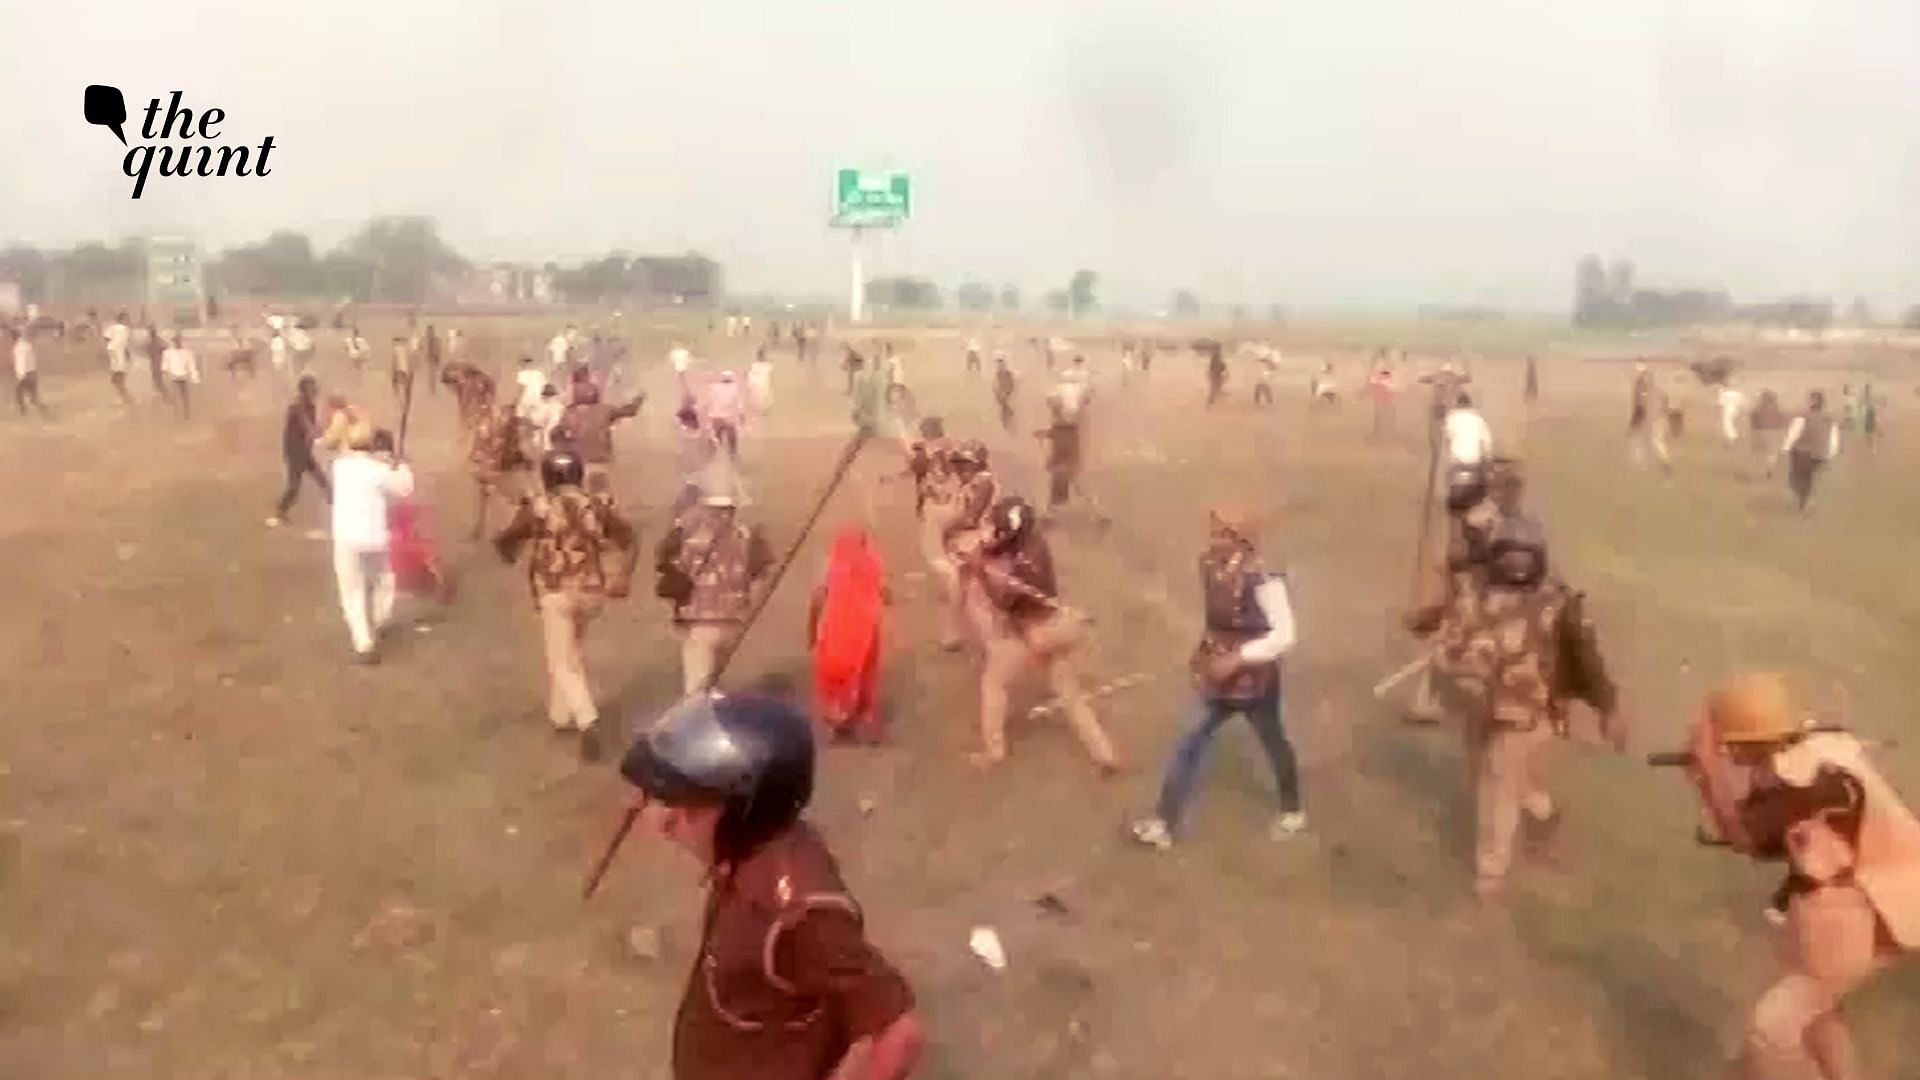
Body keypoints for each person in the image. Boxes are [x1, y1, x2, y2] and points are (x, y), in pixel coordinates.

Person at [614, 693, 926, 1080]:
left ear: (747, 813)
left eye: (692, 809)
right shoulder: (749, 855)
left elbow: (899, 1033)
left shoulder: (798, 912)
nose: (666, 823)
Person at [1680, 673, 1920, 1080]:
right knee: (1819, 1016)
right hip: (1859, 904)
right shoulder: (1813, 758)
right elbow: (1760, 832)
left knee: (1770, 1031)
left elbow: (1745, 837)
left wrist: (1708, 770)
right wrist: (1709, 777)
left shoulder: (1806, 786)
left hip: (1852, 914)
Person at [1405, 506, 1623, 900]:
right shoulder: (1474, 589)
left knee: (1496, 782)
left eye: (1526, 556)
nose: (1517, 565)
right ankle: (1541, 813)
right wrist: (1423, 620)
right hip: (1476, 700)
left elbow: (1588, 659)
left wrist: (1608, 709)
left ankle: (1491, 871)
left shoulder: (1560, 606)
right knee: (1488, 773)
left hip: (1528, 713)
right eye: (1509, 555)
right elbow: (1445, 616)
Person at [1131, 506, 1304, 849]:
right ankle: (1164, 822)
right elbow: (1218, 622)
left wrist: (1238, 658)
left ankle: (1293, 810)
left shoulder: (1264, 579)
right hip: (1215, 674)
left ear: (1239, 539)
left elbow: (1285, 634)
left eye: (1220, 533)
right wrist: (1206, 656)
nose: (1212, 539)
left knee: (1273, 741)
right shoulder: (1210, 565)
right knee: (1189, 740)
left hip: (1255, 681)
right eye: (1213, 531)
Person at [493, 448, 640, 759]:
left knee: (562, 661)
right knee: (570, 651)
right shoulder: (597, 506)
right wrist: (624, 574)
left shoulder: (539, 507)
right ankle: (561, 716)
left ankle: (588, 720)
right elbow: (628, 538)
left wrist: (510, 533)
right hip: (591, 591)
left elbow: (507, 542)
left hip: (555, 591)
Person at [955, 496, 1118, 773]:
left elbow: (1001, 601)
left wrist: (979, 569)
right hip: (1061, 626)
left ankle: (993, 752)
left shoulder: (1020, 571)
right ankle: (1105, 754)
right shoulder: (1036, 543)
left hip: (1033, 633)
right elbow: (1006, 547)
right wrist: (987, 552)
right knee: (1070, 694)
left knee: (994, 684)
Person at [655, 471, 774, 694]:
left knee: (696, 686)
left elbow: (671, 567)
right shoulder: (747, 536)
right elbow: (761, 573)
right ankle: (717, 715)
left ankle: (699, 723)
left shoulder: (692, 536)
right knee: (713, 680)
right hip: (734, 618)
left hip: (699, 617)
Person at [328, 429, 414, 664]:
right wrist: (401, 464)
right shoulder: (381, 472)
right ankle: (380, 618)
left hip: (346, 538)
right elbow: (405, 489)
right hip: (375, 537)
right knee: (384, 579)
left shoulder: (340, 467)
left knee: (351, 592)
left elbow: (344, 450)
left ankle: (363, 642)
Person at [809, 526, 889, 744]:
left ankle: (841, 725)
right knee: (864, 678)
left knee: (835, 680)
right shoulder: (872, 564)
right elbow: (885, 593)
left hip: (836, 632)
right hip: (866, 632)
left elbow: (817, 600)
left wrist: (810, 632)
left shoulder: (832, 567)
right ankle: (866, 725)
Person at [553, 382, 645, 495]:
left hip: (580, 462)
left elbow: (556, 434)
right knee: (607, 494)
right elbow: (630, 411)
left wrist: (562, 449)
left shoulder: (569, 412)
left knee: (577, 494)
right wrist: (638, 400)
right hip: (602, 460)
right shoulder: (605, 410)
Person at [268, 375, 330, 527]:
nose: (315, 391)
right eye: (312, 388)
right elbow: (309, 427)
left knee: (324, 482)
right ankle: (279, 513)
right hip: (295, 452)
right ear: (304, 391)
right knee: (294, 488)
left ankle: (337, 507)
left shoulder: (310, 406)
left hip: (304, 451)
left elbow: (314, 430)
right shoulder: (298, 407)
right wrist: (321, 432)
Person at [466, 400, 529, 540]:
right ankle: (482, 528)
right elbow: (480, 445)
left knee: (506, 500)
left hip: (504, 471)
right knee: (488, 499)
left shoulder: (513, 431)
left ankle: (490, 529)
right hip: (496, 469)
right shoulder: (490, 427)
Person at [1777, 390, 1840, 513]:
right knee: (1812, 478)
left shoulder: (1803, 417)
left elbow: (1794, 434)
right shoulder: (1829, 419)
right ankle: (1808, 500)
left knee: (1799, 478)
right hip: (1820, 453)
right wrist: (1830, 454)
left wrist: (1785, 448)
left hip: (1803, 452)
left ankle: (1803, 499)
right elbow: (1834, 439)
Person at [1441, 391, 1494, 498]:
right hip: (1474, 463)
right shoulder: (1479, 421)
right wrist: (1488, 464)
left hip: (1455, 463)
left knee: (1447, 484)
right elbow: (1487, 445)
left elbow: (1445, 441)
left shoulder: (1451, 419)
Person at [1627, 361, 1671, 472]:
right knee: (1655, 441)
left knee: (1649, 440)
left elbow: (1639, 405)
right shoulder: (1657, 390)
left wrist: (1634, 423)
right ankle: (1661, 463)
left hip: (1651, 418)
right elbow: (1664, 400)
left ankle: (1647, 464)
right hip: (1655, 417)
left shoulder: (1642, 387)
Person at [161, 333, 201, 420]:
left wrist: (195, 377)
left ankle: (186, 415)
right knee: (176, 397)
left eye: (178, 341)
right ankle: (177, 415)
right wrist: (166, 377)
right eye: (176, 341)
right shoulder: (168, 353)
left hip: (184, 376)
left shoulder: (187, 353)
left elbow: (192, 366)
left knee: (185, 397)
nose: (177, 343)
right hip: (173, 376)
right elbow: (165, 366)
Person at [11, 326, 47, 418]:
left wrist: (20, 375)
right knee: (32, 397)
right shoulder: (26, 344)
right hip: (32, 372)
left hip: (26, 373)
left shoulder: (19, 347)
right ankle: (43, 410)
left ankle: (23, 412)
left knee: (18, 393)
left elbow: (21, 362)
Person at [104, 312, 133, 404]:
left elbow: (106, 338)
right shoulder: (125, 329)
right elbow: (127, 341)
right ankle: (120, 387)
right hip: (119, 349)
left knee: (116, 366)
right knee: (121, 368)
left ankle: (115, 380)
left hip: (112, 348)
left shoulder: (112, 327)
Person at [1368, 362, 1399, 438]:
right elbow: (1392, 388)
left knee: (1382, 417)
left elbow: (1392, 388)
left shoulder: (1380, 378)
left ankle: (1382, 432)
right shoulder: (1380, 378)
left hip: (1384, 400)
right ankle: (1381, 432)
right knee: (1382, 416)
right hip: (1383, 400)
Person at [1719, 380, 1748, 446]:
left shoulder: (1724, 394)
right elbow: (1743, 403)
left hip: (1727, 409)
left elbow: (1721, 403)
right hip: (1737, 409)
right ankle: (1738, 435)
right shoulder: (1739, 394)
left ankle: (1732, 438)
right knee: (1736, 422)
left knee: (1728, 423)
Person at [992, 353, 1016, 431]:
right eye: (999, 365)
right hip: (1002, 397)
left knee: (1008, 409)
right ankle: (1007, 424)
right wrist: (1000, 395)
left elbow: (1012, 385)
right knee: (1005, 410)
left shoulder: (1009, 374)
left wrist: (1008, 394)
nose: (1000, 366)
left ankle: (1009, 424)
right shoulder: (997, 375)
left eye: (1001, 364)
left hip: (1008, 396)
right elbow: (995, 387)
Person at [143, 322, 167, 398]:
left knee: (158, 378)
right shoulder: (152, 341)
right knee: (156, 378)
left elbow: (164, 347)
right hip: (154, 362)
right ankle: (161, 393)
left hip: (157, 362)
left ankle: (164, 394)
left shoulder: (157, 340)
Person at [1204, 341, 1227, 407]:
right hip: (1215, 374)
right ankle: (1210, 404)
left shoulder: (1216, 355)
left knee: (1216, 387)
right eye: (1217, 348)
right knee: (1214, 389)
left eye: (1218, 348)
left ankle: (1211, 402)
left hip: (1216, 374)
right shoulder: (1215, 356)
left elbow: (1219, 365)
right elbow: (1216, 366)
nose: (1219, 349)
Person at [420, 324, 441, 392]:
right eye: (429, 331)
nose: (430, 333)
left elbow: (438, 349)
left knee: (433, 375)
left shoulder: (437, 340)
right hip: (427, 359)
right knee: (428, 374)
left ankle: (432, 388)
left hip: (433, 358)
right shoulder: (423, 340)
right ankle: (429, 387)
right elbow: (421, 349)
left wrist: (438, 358)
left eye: (431, 331)